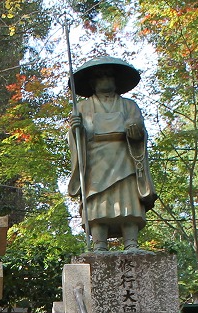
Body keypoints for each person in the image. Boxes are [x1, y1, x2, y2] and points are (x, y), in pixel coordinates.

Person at [66, 56, 157, 251]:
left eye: (109, 76)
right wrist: (76, 130)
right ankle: (100, 243)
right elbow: (75, 137)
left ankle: (131, 241)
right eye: (100, 77)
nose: (105, 79)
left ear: (115, 80)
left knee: (127, 199)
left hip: (124, 156)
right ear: (92, 82)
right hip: (95, 159)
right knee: (97, 201)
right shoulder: (82, 107)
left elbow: (139, 129)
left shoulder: (129, 105)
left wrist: (135, 131)